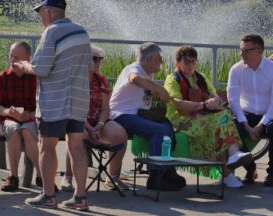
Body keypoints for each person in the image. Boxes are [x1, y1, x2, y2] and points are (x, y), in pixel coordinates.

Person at [13, 0, 92, 211]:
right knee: (76, 146)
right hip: (78, 99)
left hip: (55, 101)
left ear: (47, 12)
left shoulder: (51, 32)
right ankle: (81, 197)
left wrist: (23, 65)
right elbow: (89, 68)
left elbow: (41, 69)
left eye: (40, 13)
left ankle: (48, 195)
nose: (40, 17)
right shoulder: (82, 32)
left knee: (47, 146)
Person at [164, 45, 252, 188]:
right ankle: (229, 169)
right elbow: (178, 104)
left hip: (203, 118)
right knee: (220, 123)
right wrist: (203, 105)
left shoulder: (201, 77)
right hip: (181, 121)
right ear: (178, 62)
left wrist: (213, 102)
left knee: (222, 119)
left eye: (193, 61)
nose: (191, 65)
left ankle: (230, 164)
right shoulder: (172, 79)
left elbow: (216, 98)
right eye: (187, 62)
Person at [109, 42, 186, 191]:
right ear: (150, 59)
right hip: (121, 115)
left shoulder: (147, 74)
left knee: (166, 126)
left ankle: (167, 170)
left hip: (136, 115)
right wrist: (159, 88)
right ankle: (156, 176)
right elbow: (134, 79)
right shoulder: (134, 69)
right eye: (159, 59)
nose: (161, 62)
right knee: (159, 130)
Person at [61, 45, 128, 192]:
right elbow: (74, 109)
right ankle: (68, 177)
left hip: (97, 121)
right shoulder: (74, 80)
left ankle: (113, 177)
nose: (99, 62)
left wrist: (99, 125)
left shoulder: (101, 80)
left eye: (100, 59)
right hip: (76, 120)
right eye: (95, 59)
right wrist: (89, 127)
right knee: (77, 136)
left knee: (121, 135)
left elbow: (105, 108)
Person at [0, 41, 41, 192]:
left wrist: (30, 114)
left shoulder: (35, 78)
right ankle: (13, 176)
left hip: (30, 118)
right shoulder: (2, 78)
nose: (12, 60)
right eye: (11, 56)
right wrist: (8, 112)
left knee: (27, 131)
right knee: (13, 129)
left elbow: (41, 104)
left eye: (17, 57)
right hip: (7, 119)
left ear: (28, 59)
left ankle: (41, 174)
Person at [228, 34, 273, 186]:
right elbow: (233, 100)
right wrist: (245, 124)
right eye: (241, 50)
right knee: (230, 126)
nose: (242, 54)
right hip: (246, 115)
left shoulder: (271, 69)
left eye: (247, 50)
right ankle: (250, 168)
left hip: (269, 115)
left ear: (259, 50)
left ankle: (272, 174)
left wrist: (261, 125)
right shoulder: (236, 69)